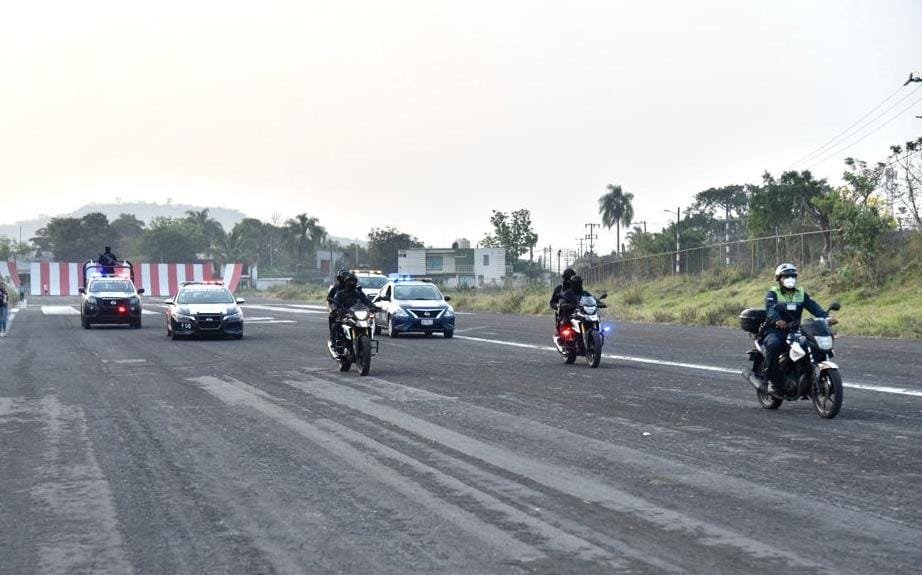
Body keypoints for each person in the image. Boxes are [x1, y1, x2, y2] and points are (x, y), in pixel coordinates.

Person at [761, 263, 836, 395]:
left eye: (793, 276)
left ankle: (805, 376)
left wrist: (827, 317)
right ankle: (772, 381)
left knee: (811, 345)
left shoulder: (801, 293)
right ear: (779, 279)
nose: (790, 278)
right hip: (776, 330)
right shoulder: (773, 293)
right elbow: (771, 309)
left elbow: (815, 308)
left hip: (796, 330)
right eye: (786, 276)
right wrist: (777, 320)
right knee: (774, 345)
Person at [329, 273, 377, 354]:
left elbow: (366, 301)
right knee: (336, 326)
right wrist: (335, 309)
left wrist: (373, 307)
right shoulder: (341, 294)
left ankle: (368, 342)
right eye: (350, 282)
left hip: (357, 315)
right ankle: (337, 345)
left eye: (353, 282)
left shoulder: (359, 293)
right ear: (346, 283)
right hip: (346, 315)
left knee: (368, 324)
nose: (352, 284)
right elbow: (334, 302)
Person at [326, 269, 350, 347]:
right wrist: (333, 309)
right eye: (343, 278)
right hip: (339, 308)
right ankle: (333, 340)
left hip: (351, 309)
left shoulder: (353, 288)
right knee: (334, 321)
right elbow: (329, 298)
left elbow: (361, 298)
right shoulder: (336, 287)